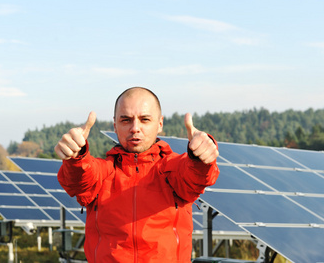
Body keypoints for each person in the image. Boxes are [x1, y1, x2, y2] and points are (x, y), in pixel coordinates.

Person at [55, 87, 219, 263]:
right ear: (115, 125)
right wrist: (76, 156)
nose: (135, 128)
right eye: (126, 120)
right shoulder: (102, 174)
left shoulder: (173, 170)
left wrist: (200, 157)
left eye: (145, 119)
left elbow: (196, 175)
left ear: (160, 123)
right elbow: (80, 178)